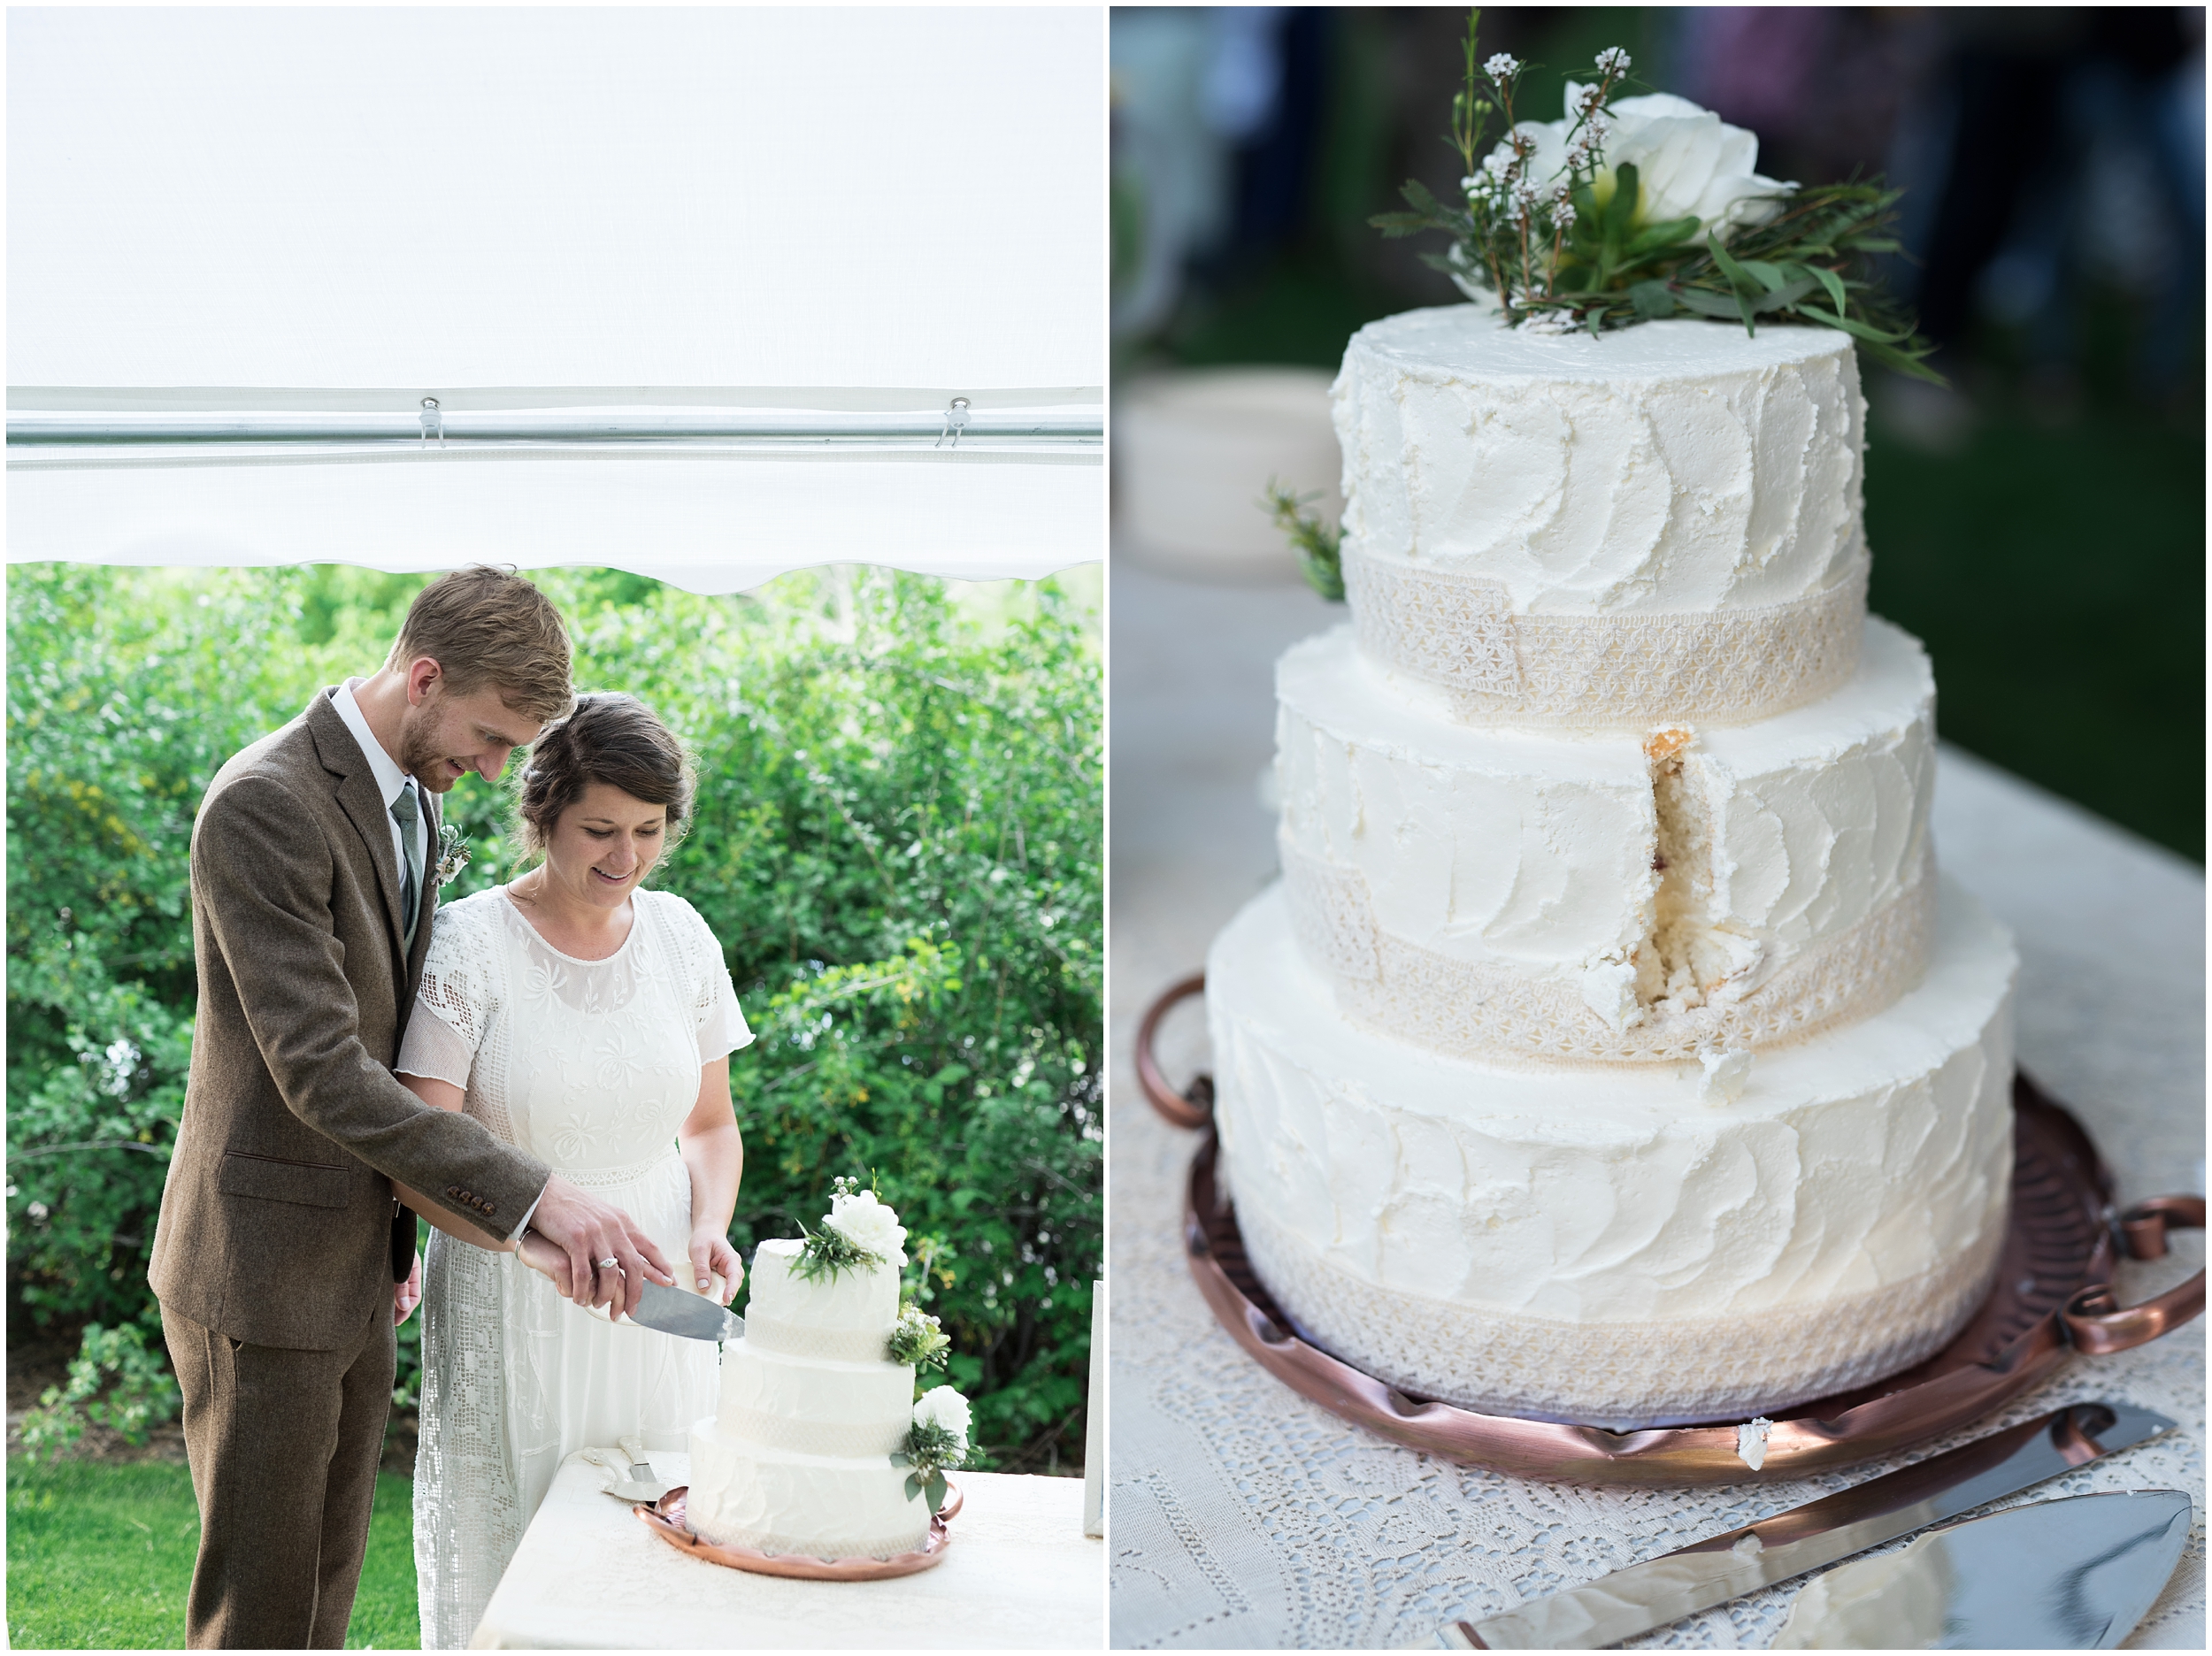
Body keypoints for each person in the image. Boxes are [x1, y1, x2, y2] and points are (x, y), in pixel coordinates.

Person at [148, 567, 678, 1650]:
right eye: (487, 737)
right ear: (423, 676)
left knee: (326, 1597)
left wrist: (400, 1235)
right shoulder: (265, 804)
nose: (492, 771)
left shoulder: (413, 793)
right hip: (259, 1271)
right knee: (261, 1615)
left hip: (354, 1259)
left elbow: (393, 1029)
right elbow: (324, 1069)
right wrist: (538, 1199)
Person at [392, 693, 751, 1649]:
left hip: (662, 1294)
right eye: (599, 829)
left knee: (669, 1545)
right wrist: (535, 1232)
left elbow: (712, 1125)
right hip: (517, 1285)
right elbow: (416, 1158)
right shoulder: (468, 945)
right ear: (542, 810)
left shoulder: (681, 936)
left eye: (648, 830)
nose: (624, 858)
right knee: (529, 1567)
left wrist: (709, 1222)